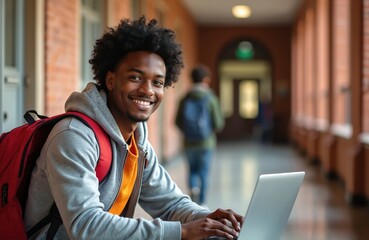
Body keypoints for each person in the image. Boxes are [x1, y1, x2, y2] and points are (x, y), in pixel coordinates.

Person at [24, 16, 243, 239]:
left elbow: (170, 204)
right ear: (110, 80)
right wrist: (183, 231)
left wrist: (210, 220)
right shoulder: (73, 136)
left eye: (158, 82)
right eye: (136, 77)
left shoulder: (137, 144)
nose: (148, 90)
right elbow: (86, 227)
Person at [175, 65, 225, 206]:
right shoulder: (210, 98)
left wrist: (188, 131)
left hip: (189, 142)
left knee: (192, 170)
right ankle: (202, 203)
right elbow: (218, 123)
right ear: (206, 80)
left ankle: (193, 189)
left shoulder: (185, 99)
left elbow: (177, 121)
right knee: (203, 172)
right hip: (206, 143)